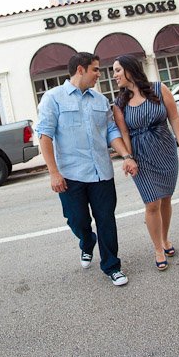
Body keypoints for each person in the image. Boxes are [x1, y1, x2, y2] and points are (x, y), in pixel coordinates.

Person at [36, 52, 139, 286]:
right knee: (77, 220)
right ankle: (86, 241)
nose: (99, 75)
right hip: (70, 175)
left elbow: (110, 132)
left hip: (101, 172)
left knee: (106, 220)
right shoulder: (53, 98)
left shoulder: (100, 100)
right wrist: (53, 172)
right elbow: (45, 136)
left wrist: (126, 155)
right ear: (80, 70)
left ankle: (112, 266)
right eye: (95, 69)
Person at [111, 55, 179, 271]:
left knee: (165, 198)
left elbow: (174, 117)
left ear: (130, 70)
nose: (115, 75)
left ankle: (165, 239)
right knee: (152, 203)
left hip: (165, 150)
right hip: (141, 157)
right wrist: (128, 158)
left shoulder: (158, 88)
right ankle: (157, 248)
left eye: (118, 70)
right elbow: (124, 133)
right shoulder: (119, 103)